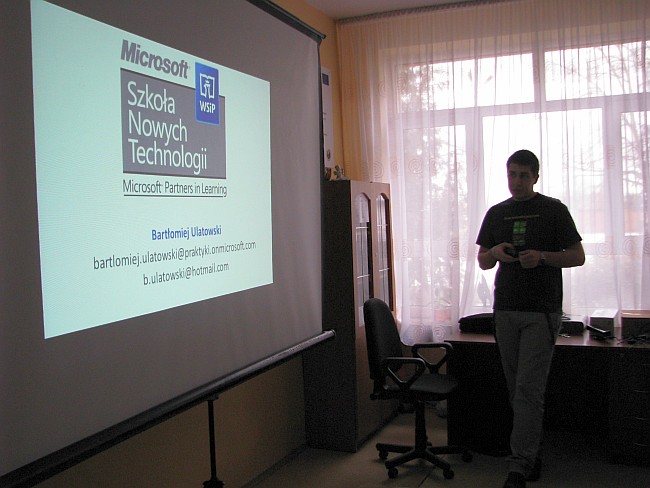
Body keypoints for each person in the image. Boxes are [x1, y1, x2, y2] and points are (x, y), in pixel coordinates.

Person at [476, 149, 585, 488]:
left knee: (528, 389)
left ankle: (520, 464)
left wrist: (542, 258)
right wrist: (495, 253)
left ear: (536, 177)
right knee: (516, 388)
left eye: (524, 175)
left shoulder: (554, 210)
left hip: (541, 311)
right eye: (512, 174)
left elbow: (578, 256)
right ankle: (528, 451)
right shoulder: (497, 213)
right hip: (505, 310)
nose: (517, 181)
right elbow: (482, 260)